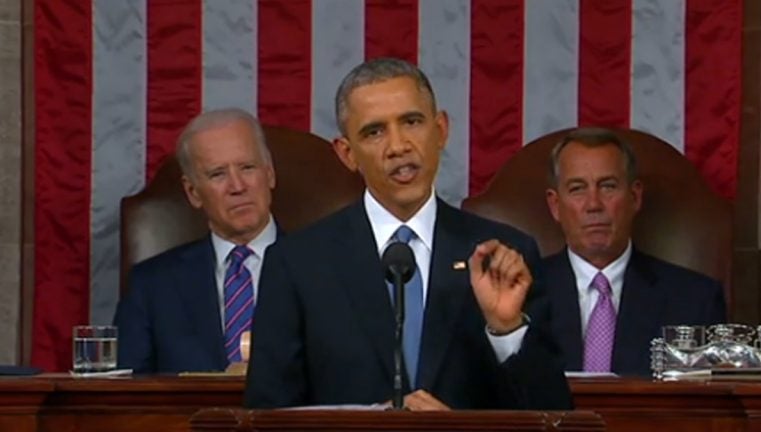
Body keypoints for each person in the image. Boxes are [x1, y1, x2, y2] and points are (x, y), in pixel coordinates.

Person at [243, 58, 571, 410]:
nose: (398, 146)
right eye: (375, 132)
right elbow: (266, 414)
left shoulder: (503, 256)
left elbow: (552, 414)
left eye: (411, 122)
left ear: (441, 129)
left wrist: (507, 331)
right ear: (347, 153)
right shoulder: (297, 264)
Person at [542, 127, 726, 376]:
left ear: (635, 197)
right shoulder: (523, 294)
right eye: (577, 189)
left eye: (607, 186)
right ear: (555, 206)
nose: (593, 204)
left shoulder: (695, 300)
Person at [114, 108, 278, 373]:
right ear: (193, 192)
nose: (237, 186)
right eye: (218, 174)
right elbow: (127, 395)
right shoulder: (152, 286)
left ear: (269, 174)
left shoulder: (324, 268)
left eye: (247, 168)